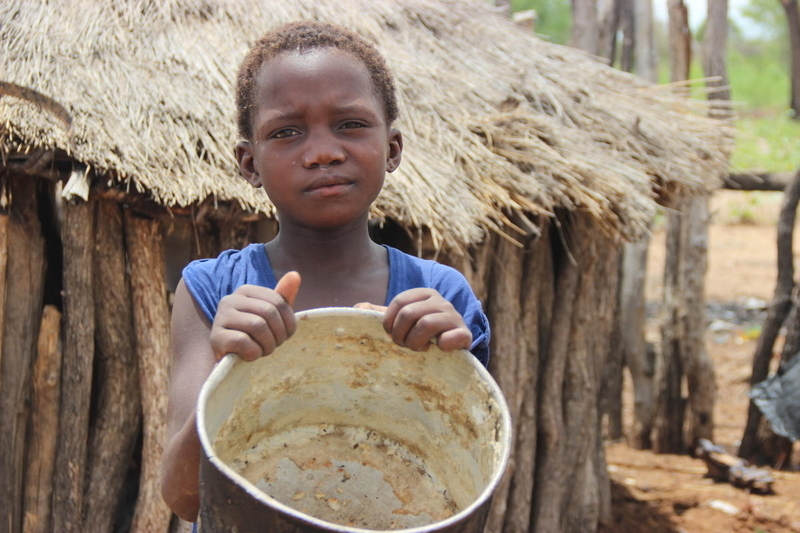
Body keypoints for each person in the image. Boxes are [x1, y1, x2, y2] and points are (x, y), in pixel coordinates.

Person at [160, 20, 490, 522]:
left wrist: (441, 369)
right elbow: (184, 496)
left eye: (350, 125)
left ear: (393, 148)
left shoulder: (440, 298)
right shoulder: (212, 292)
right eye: (287, 132)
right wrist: (230, 375)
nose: (322, 152)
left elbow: (469, 480)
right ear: (250, 163)